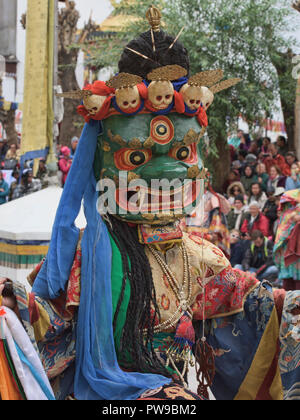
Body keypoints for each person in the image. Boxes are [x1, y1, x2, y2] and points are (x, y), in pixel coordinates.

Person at [1, 8, 300, 401]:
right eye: (136, 157)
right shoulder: (85, 259)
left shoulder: (199, 256)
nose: (168, 172)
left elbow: (253, 305)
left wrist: (289, 307)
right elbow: (40, 318)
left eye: (181, 151)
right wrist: (11, 305)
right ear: (101, 163)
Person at [274, 189, 300, 291]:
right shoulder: (287, 215)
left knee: (291, 281)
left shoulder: (286, 215)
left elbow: (281, 236)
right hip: (290, 249)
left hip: (290, 249)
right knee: (292, 280)